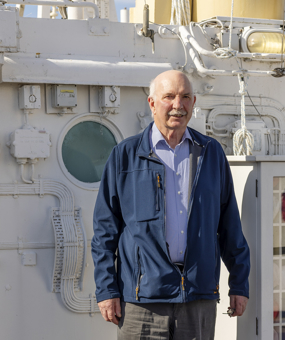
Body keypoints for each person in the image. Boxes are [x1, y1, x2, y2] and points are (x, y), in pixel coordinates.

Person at [91, 70, 251, 340]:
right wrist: (107, 290)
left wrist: (239, 284)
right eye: (169, 97)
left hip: (198, 298)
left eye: (186, 97)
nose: (178, 105)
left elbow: (229, 225)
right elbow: (105, 231)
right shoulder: (125, 156)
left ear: (194, 102)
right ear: (152, 103)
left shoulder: (211, 153)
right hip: (142, 302)